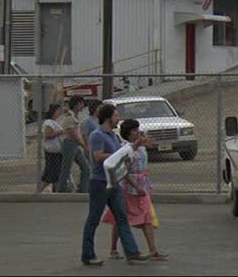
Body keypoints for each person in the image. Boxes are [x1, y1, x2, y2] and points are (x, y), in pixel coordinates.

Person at [81, 104, 151, 266]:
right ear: (107, 118)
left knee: (122, 217)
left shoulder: (113, 136)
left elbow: (122, 156)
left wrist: (136, 145)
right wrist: (119, 154)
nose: (118, 118)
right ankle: (88, 254)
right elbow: (98, 156)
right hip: (100, 182)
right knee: (93, 219)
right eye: (115, 115)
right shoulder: (97, 136)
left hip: (114, 181)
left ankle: (132, 252)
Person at [101, 119, 168, 261]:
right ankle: (113, 249)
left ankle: (153, 250)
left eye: (138, 129)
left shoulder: (141, 147)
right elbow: (124, 170)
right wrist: (136, 186)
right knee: (120, 218)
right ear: (128, 133)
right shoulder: (124, 148)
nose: (138, 132)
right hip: (129, 187)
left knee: (146, 217)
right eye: (134, 130)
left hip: (141, 185)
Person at [58, 96, 90, 193]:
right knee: (66, 168)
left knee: (85, 168)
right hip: (69, 144)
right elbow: (73, 134)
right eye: (81, 104)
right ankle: (61, 189)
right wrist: (83, 145)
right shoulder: (69, 117)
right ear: (76, 104)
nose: (82, 106)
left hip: (75, 145)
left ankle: (83, 189)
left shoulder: (74, 116)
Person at [41, 103, 65, 192]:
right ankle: (40, 189)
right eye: (58, 110)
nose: (60, 112)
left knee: (56, 173)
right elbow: (48, 135)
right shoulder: (49, 122)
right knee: (52, 172)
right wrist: (61, 132)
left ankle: (56, 190)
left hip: (57, 151)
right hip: (52, 151)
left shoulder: (54, 122)